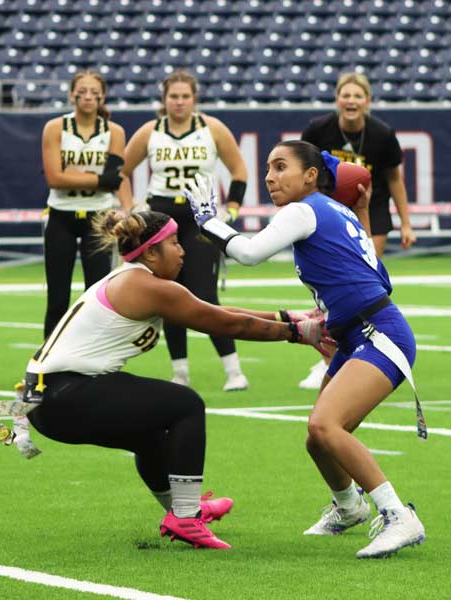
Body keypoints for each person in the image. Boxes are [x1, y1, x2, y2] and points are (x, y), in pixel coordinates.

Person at [2, 210, 326, 549]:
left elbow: (220, 312)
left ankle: (183, 511)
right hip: (62, 394)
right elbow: (229, 326)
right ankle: (185, 517)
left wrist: (286, 317)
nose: (183, 249)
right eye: (174, 242)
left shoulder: (135, 278)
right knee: (186, 404)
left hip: (47, 398)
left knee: (150, 435)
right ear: (151, 252)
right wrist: (298, 333)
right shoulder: (146, 285)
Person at [182, 141, 426, 559]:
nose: (270, 177)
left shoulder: (304, 209)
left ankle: (397, 515)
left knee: (325, 427)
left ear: (311, 175)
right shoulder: (335, 211)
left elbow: (249, 252)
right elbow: (374, 273)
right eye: (267, 169)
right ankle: (349, 507)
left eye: (281, 167)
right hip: (359, 331)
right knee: (319, 440)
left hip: (375, 331)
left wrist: (209, 220)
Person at [120, 69, 250, 391]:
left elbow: (239, 170)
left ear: (194, 99)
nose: (179, 102)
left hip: (199, 217)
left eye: (185, 96)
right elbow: (121, 172)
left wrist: (232, 207)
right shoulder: (151, 130)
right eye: (173, 96)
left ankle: (233, 370)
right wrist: (130, 208)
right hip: (161, 217)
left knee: (206, 294)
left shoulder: (211, 128)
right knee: (168, 295)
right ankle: (180, 372)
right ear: (164, 100)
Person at [297, 72, 416, 389]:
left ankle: (368, 349)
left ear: (368, 100)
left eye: (357, 95)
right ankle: (328, 359)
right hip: (328, 215)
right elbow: (299, 171)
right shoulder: (318, 129)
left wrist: (405, 221)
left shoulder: (382, 134)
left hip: (370, 210)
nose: (351, 101)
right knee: (330, 289)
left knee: (363, 280)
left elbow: (394, 179)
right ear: (337, 99)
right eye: (345, 95)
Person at [40, 70, 129, 337]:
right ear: (71, 94)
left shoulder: (114, 131)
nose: (88, 96)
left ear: (102, 96)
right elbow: (54, 178)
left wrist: (76, 176)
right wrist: (98, 178)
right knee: (57, 297)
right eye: (83, 91)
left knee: (97, 297)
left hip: (98, 219)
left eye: (94, 92)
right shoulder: (55, 128)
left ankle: (92, 365)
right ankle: (47, 368)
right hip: (61, 215)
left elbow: (113, 180)